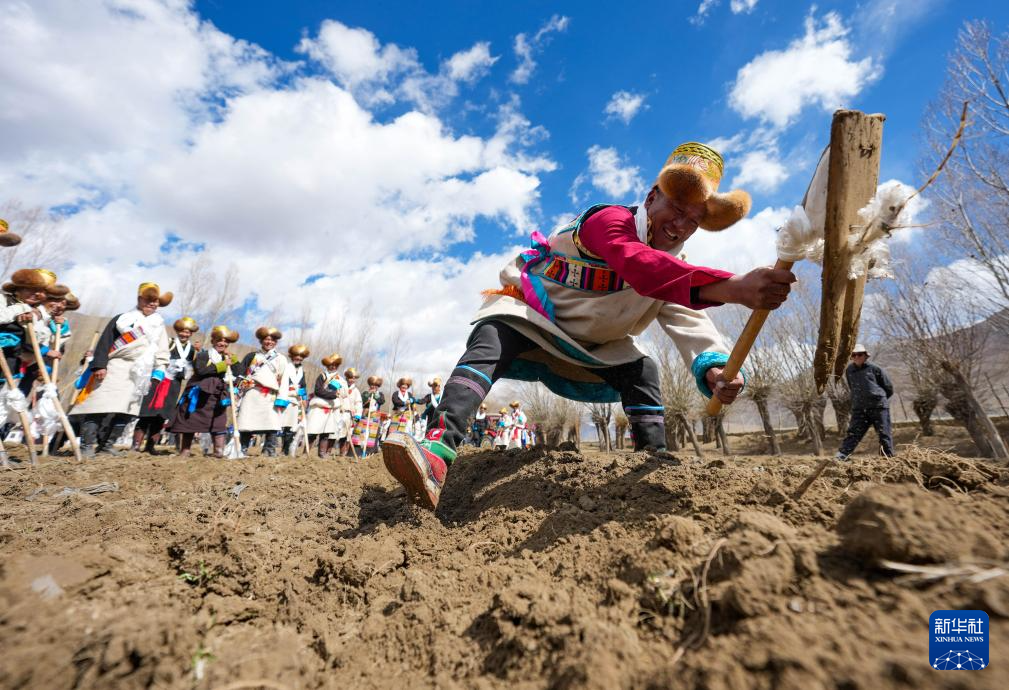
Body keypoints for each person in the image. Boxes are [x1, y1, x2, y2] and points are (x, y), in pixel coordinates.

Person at [383, 141, 795, 509]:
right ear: (652, 197)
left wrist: (715, 369)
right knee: (493, 334)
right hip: (533, 320)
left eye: (694, 220)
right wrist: (734, 287)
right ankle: (437, 453)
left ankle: (652, 465)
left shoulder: (677, 268)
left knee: (644, 371)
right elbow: (639, 265)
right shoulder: (607, 221)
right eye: (676, 208)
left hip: (592, 348)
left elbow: (689, 319)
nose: (680, 225)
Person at [70, 283, 172, 458]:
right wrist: (100, 365)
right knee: (98, 406)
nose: (152, 304)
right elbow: (104, 342)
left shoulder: (159, 325)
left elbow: (162, 351)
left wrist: (158, 372)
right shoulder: (122, 319)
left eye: (155, 301)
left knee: (126, 411)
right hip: (115, 366)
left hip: (140, 372)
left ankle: (107, 446)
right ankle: (87, 446)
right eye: (148, 300)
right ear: (139, 299)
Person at [170, 326, 240, 457]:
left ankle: (218, 451)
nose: (222, 343)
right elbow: (201, 370)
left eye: (225, 341)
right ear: (213, 341)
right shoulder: (203, 355)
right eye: (219, 340)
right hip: (198, 393)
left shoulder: (230, 358)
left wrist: (234, 361)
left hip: (217, 394)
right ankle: (185, 450)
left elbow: (238, 372)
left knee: (218, 421)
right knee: (190, 419)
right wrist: (223, 364)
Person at [133, 317, 198, 453]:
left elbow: (192, 367)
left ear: (191, 334)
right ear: (178, 331)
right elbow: (157, 356)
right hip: (159, 380)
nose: (184, 334)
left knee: (162, 415)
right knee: (147, 412)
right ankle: (136, 445)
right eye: (182, 331)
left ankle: (150, 446)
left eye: (187, 332)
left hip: (175, 384)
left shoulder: (192, 350)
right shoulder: (169, 342)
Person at [836, 344, 895, 459]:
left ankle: (888, 458)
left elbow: (888, 388)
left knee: (884, 433)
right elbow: (852, 388)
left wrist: (877, 398)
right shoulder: (849, 370)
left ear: (865, 355)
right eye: (854, 355)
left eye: (859, 354)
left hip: (878, 407)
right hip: (859, 408)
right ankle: (842, 456)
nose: (857, 357)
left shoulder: (875, 369)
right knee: (853, 432)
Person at [236, 326, 288, 456]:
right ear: (261, 341)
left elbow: (284, 379)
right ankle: (242, 448)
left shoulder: (281, 358)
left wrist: (282, 398)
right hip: (252, 392)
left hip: (269, 395)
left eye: (272, 340)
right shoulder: (251, 356)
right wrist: (238, 387)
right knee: (246, 421)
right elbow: (241, 374)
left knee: (271, 422)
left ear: (275, 342)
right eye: (266, 339)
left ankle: (269, 450)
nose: (269, 342)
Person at [305, 353, 345, 458]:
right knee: (313, 431)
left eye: (335, 365)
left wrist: (340, 394)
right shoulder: (322, 376)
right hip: (319, 406)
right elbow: (318, 391)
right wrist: (332, 394)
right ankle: (306, 452)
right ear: (327, 366)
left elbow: (344, 394)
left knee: (326, 433)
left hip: (331, 408)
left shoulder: (341, 380)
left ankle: (322, 453)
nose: (333, 367)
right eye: (330, 365)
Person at [278, 344, 309, 455]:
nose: (299, 358)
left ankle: (286, 449)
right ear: (292, 356)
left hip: (296, 401)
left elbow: (303, 386)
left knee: (291, 426)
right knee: (281, 424)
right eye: (297, 355)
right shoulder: (286, 367)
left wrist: (304, 399)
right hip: (285, 398)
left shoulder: (301, 371)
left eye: (301, 356)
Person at [352, 375, 385, 455]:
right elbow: (361, 401)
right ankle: (357, 450)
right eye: (372, 385)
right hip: (365, 415)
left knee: (372, 434)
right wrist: (368, 396)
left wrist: (375, 395)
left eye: (376, 385)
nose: (373, 386)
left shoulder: (380, 394)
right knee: (361, 432)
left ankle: (370, 451)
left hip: (375, 416)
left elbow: (382, 401)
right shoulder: (365, 393)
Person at [341, 368, 363, 456]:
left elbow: (358, 403)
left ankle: (344, 452)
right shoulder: (341, 386)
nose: (352, 380)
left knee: (348, 434)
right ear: (347, 377)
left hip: (349, 414)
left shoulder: (356, 391)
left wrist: (358, 414)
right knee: (336, 432)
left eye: (354, 378)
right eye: (350, 378)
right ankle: (329, 450)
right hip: (339, 412)